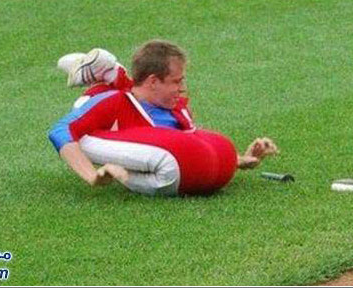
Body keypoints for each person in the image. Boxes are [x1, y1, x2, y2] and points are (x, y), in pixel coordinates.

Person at [48, 40, 279, 195]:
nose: (182, 88)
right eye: (176, 81)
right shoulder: (117, 101)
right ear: (153, 81)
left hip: (156, 155)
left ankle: (102, 71)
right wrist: (92, 176)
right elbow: (60, 131)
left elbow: (190, 149)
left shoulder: (176, 110)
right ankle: (97, 74)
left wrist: (243, 159)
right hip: (107, 124)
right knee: (86, 106)